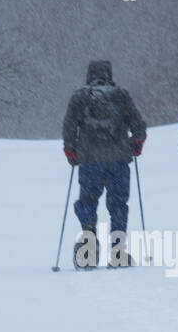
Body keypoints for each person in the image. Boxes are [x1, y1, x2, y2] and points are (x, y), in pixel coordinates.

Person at [62, 60, 147, 268]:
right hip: (118, 159)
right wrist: (135, 145)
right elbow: (139, 126)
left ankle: (88, 246)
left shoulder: (79, 97)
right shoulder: (121, 95)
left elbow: (69, 126)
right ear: (109, 74)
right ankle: (118, 253)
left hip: (89, 160)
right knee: (118, 203)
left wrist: (71, 150)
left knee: (88, 200)